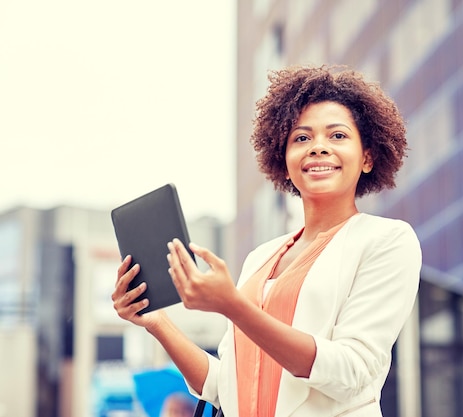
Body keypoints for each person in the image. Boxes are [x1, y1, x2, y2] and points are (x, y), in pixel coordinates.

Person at [112, 65, 422, 416]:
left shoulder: (388, 240)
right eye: (302, 138)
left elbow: (350, 371)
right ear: (283, 158)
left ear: (368, 157)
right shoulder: (261, 257)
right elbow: (220, 387)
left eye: (337, 136)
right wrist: (154, 321)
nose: (318, 147)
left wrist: (234, 306)